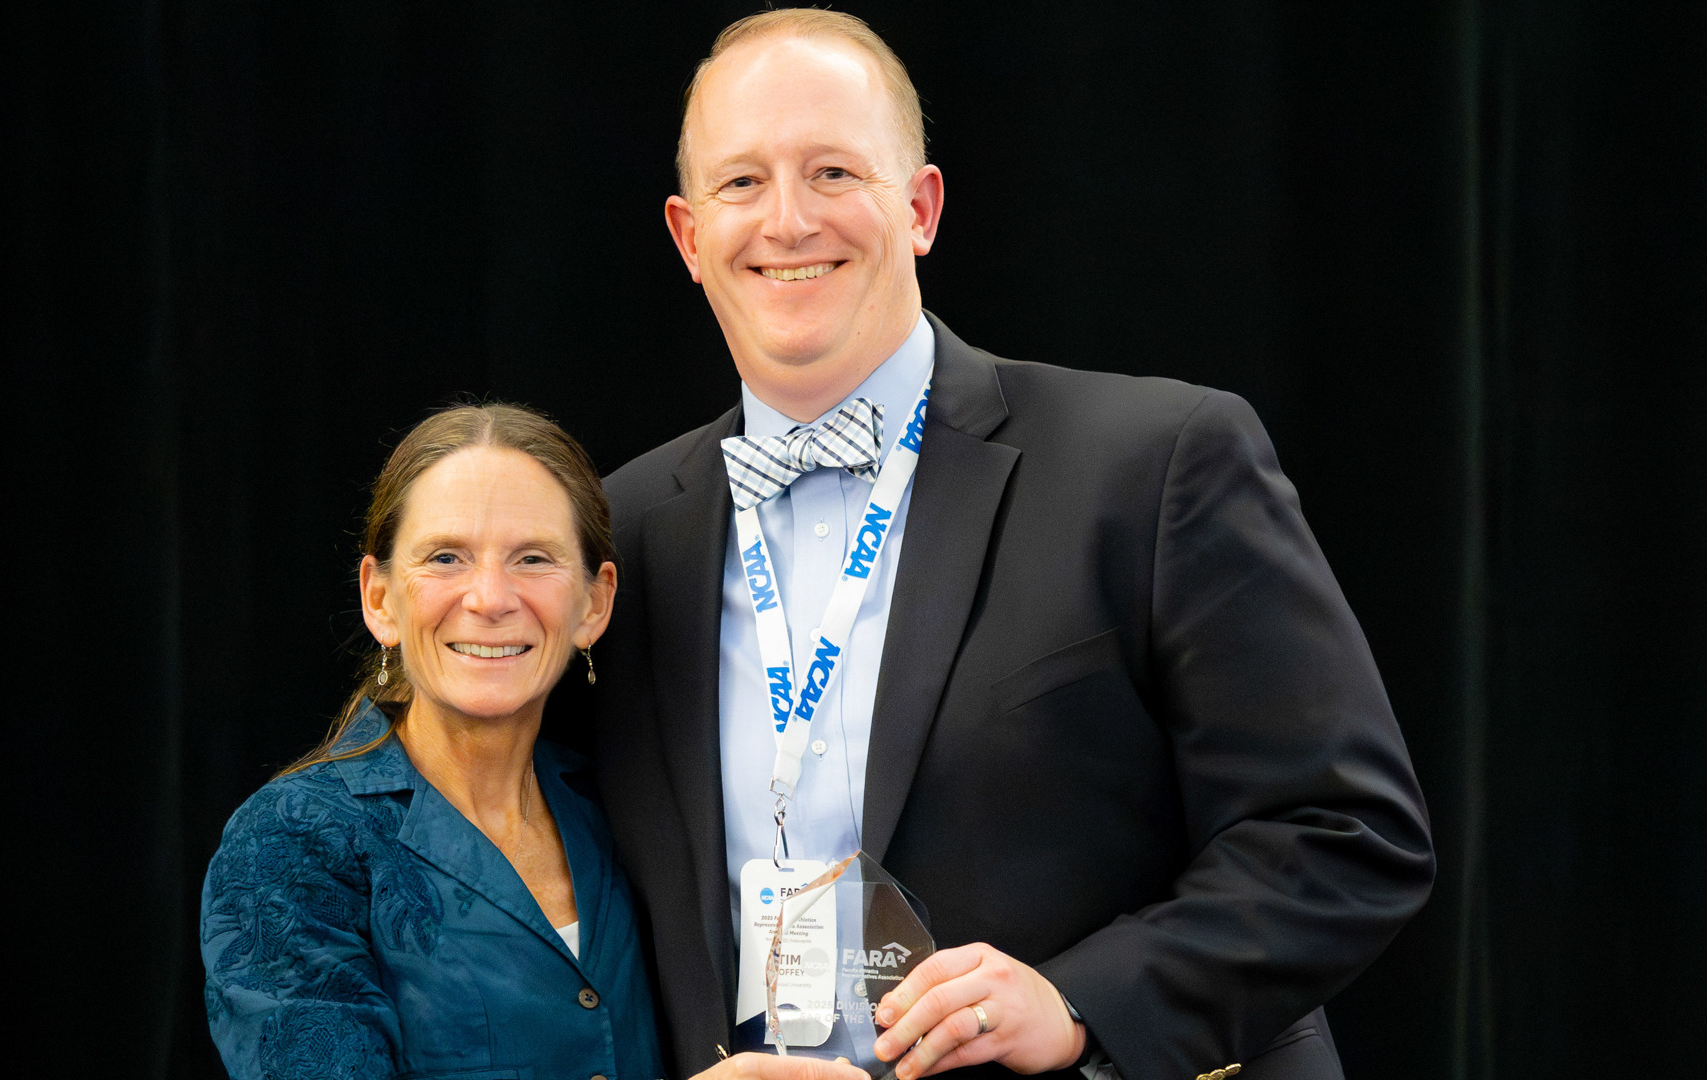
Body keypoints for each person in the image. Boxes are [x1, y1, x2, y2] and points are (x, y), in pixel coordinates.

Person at [576, 10, 1436, 1080]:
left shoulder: (1154, 463)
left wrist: (1079, 1002)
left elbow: (1348, 835)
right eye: (741, 183)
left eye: (834, 170)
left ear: (922, 207)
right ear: (688, 237)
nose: (787, 220)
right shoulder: (617, 535)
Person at [201, 404, 866, 1080]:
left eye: (533, 558)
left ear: (594, 604)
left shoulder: (619, 809)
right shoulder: (288, 843)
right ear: (379, 598)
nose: (490, 597)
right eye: (445, 557)